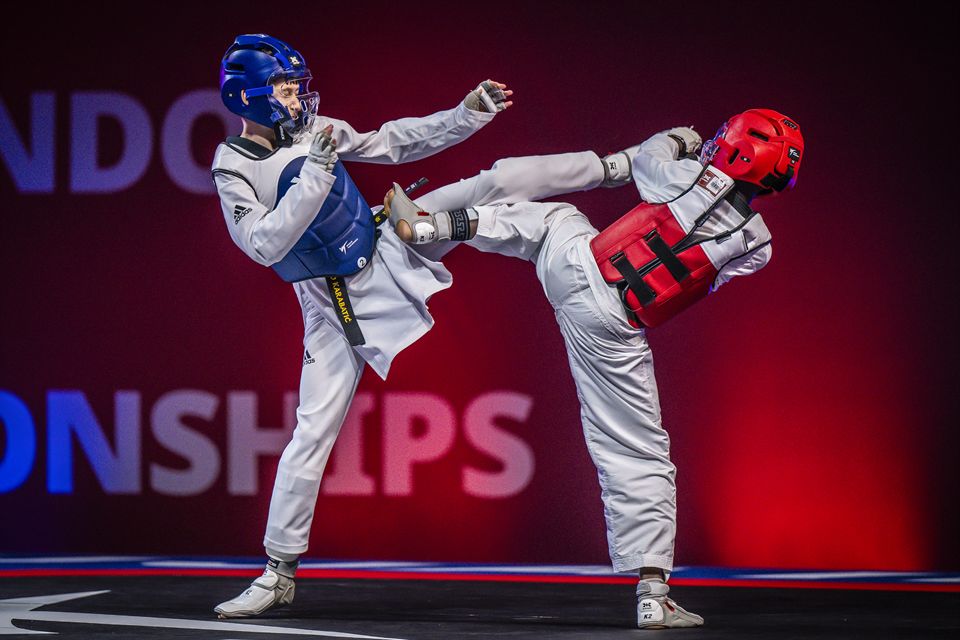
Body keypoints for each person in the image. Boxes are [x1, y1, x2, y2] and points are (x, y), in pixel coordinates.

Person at [386, 108, 805, 629]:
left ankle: (433, 225)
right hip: (616, 327)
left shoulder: (684, 174)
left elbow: (647, 158)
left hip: (580, 265)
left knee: (552, 219)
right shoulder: (760, 245)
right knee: (638, 450)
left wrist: (675, 137)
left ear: (736, 148)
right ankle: (653, 595)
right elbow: (704, 278)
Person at [210, 33, 513, 618]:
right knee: (312, 432)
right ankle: (277, 572)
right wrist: (317, 172)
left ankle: (608, 173)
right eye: (284, 89)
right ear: (248, 97)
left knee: (492, 187)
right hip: (329, 302)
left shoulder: (315, 132)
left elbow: (392, 142)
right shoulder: (233, 166)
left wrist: (466, 113)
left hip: (388, 247)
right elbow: (265, 244)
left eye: (297, 87)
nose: (297, 98)